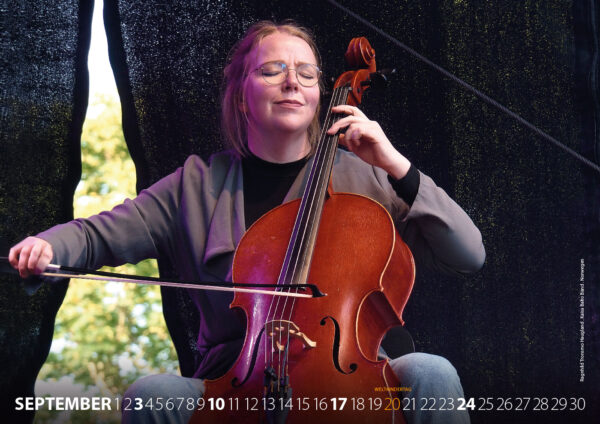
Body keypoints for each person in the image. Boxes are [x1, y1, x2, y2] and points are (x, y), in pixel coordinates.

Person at [9, 20, 485, 424]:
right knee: (152, 394)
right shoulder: (196, 186)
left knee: (431, 372)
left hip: (355, 378)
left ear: (322, 93)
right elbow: (96, 235)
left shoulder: (369, 175)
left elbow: (469, 253)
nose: (292, 82)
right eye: (273, 69)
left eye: (306, 73)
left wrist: (397, 166)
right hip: (240, 384)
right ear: (241, 95)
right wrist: (48, 248)